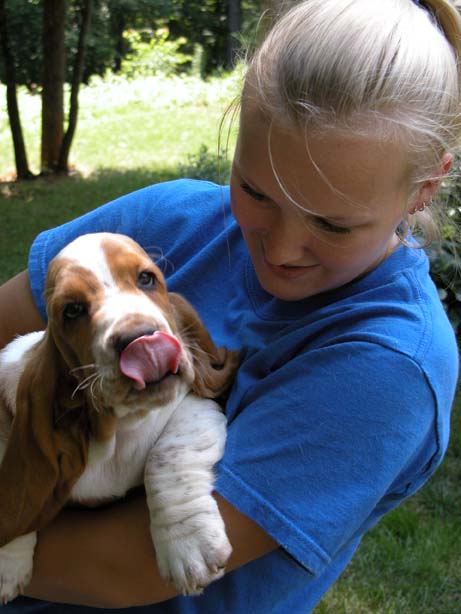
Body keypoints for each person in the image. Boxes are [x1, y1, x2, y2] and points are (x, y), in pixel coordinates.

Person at [1, 0, 460, 611]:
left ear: (425, 187)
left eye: (332, 223)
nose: (282, 248)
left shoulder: (390, 364)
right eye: (255, 190)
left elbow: (123, 571)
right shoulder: (163, 221)